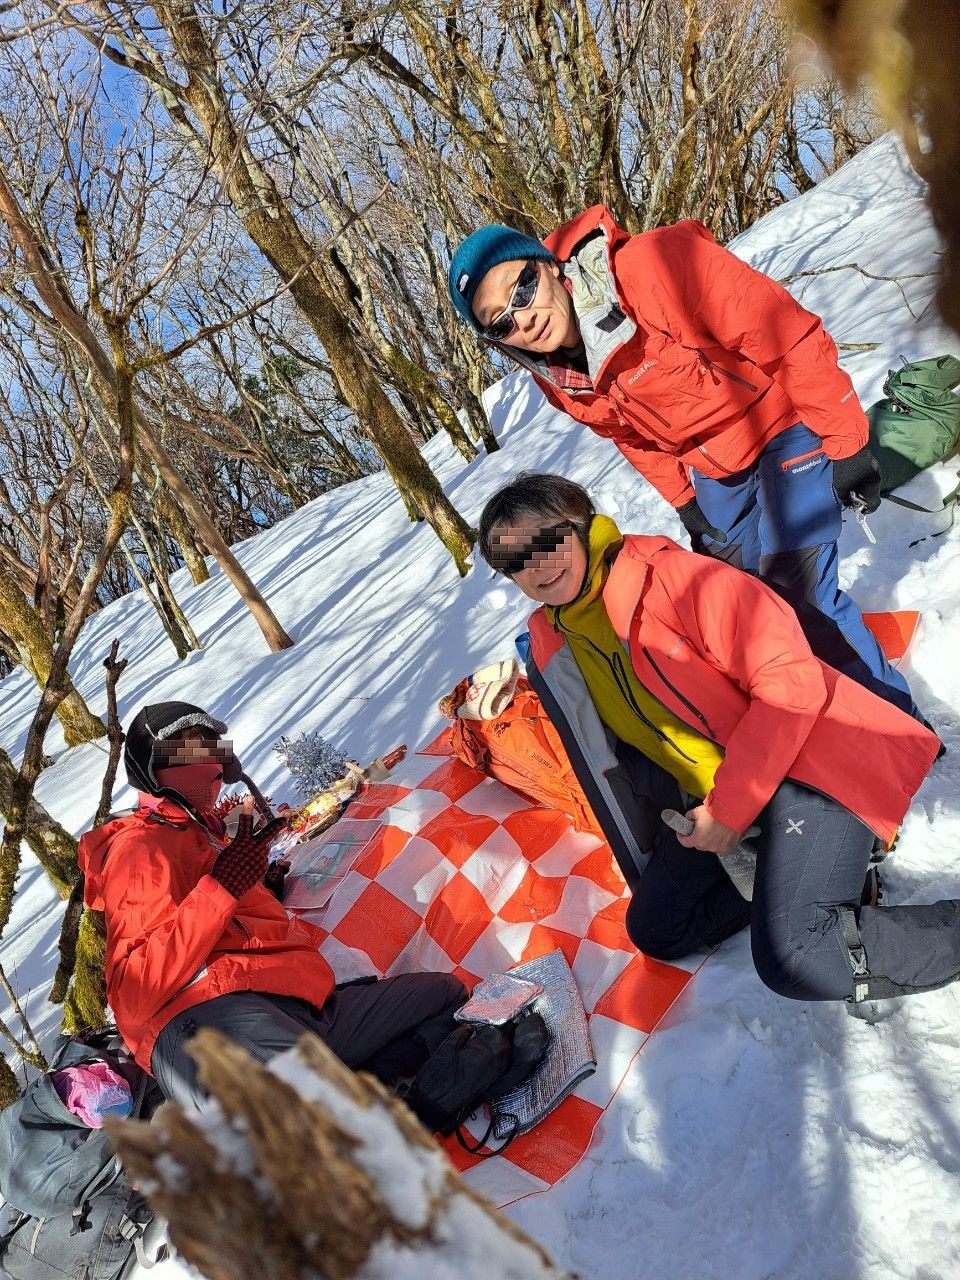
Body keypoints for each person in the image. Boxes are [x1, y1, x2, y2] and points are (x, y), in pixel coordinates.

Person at [476, 473, 957, 1005]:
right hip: (719, 796)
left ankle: (827, 887)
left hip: (810, 766)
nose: (536, 566)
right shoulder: (554, 638)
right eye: (514, 560)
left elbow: (789, 682)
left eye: (545, 541)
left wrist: (730, 810)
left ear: (581, 524)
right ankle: (809, 881)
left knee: (797, 957)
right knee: (657, 929)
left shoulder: (675, 580)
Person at [448, 212, 921, 719]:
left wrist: (847, 444)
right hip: (715, 465)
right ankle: (806, 700)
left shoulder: (654, 267)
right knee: (734, 590)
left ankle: (898, 726)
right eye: (501, 322)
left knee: (800, 592)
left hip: (783, 422)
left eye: (522, 288)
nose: (523, 318)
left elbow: (788, 336)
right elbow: (630, 436)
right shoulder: (559, 378)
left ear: (548, 265)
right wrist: (684, 500)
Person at [78, 701, 547, 1128]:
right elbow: (135, 992)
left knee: (442, 995)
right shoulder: (139, 848)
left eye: (210, 750)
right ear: (155, 770)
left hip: (291, 1005)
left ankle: (400, 1104)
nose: (213, 768)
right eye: (189, 753)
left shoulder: (197, 833)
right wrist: (223, 889)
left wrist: (257, 886)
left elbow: (213, 915)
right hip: (209, 1020)